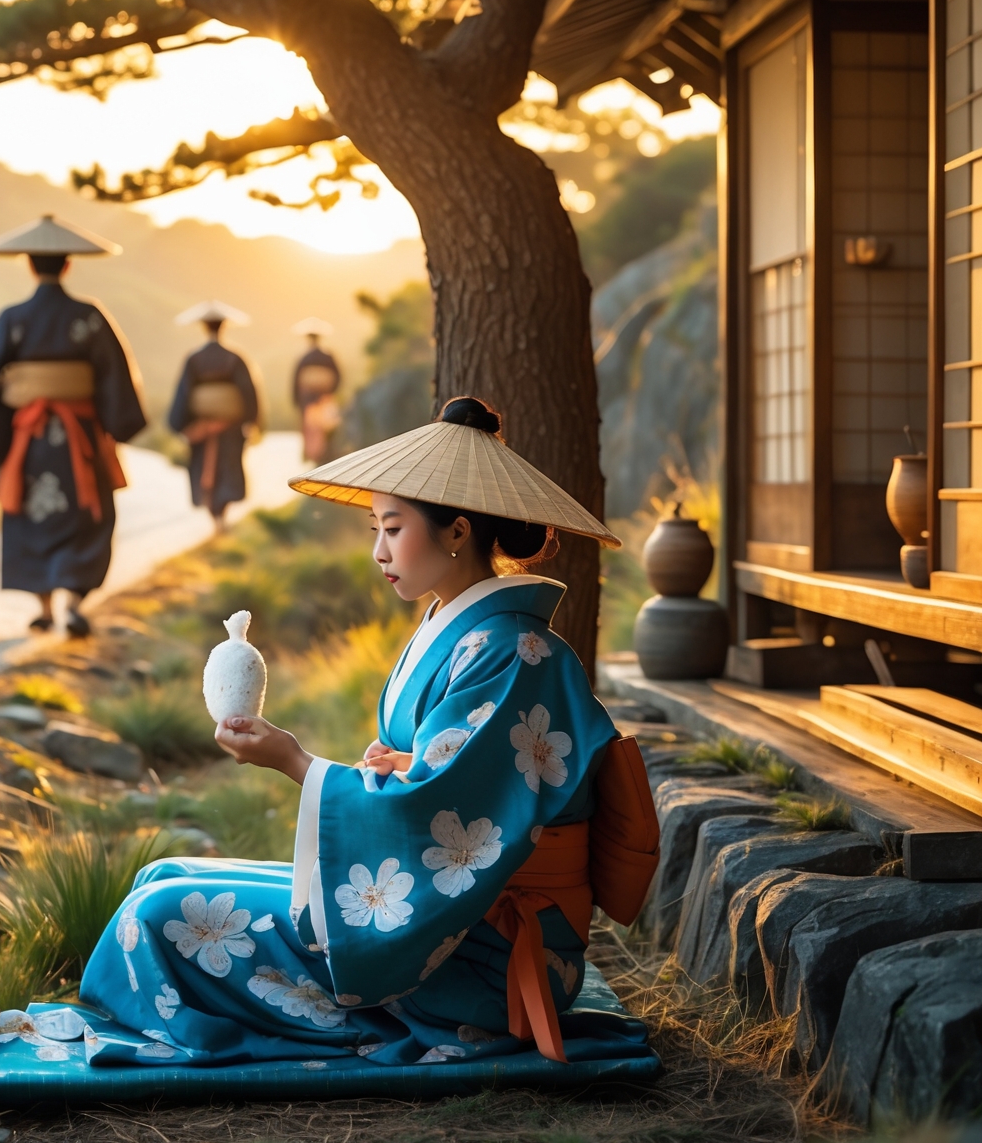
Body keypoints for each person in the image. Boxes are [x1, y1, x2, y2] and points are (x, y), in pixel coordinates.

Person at [72, 397, 659, 1071]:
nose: (379, 551)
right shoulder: (466, 633)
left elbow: (440, 816)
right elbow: (440, 785)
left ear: (457, 531)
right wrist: (387, 769)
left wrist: (296, 762)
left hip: (481, 953)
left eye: (392, 528)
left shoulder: (515, 653)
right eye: (375, 529)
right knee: (165, 873)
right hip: (450, 911)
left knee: (158, 918)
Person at [0, 214, 146, 638]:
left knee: (32, 513)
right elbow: (113, 378)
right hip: (79, 437)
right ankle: (77, 602)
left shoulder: (12, 318)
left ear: (29, 266)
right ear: (68, 265)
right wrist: (113, 423)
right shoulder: (90, 316)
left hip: (29, 442)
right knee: (87, 513)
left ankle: (44, 606)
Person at [169, 300, 260, 534]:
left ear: (203, 327)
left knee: (206, 471)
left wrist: (180, 425)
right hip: (230, 426)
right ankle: (220, 516)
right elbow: (249, 392)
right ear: (223, 326)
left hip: (202, 426)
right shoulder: (235, 358)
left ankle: (216, 516)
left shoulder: (194, 359)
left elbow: (183, 395)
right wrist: (250, 420)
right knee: (228, 471)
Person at [292, 318, 342, 465]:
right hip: (325, 400)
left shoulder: (304, 358)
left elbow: (296, 384)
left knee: (316, 435)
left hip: (310, 402)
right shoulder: (327, 357)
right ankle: (324, 460)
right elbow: (338, 377)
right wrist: (329, 392)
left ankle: (317, 460)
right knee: (326, 435)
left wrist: (299, 403)